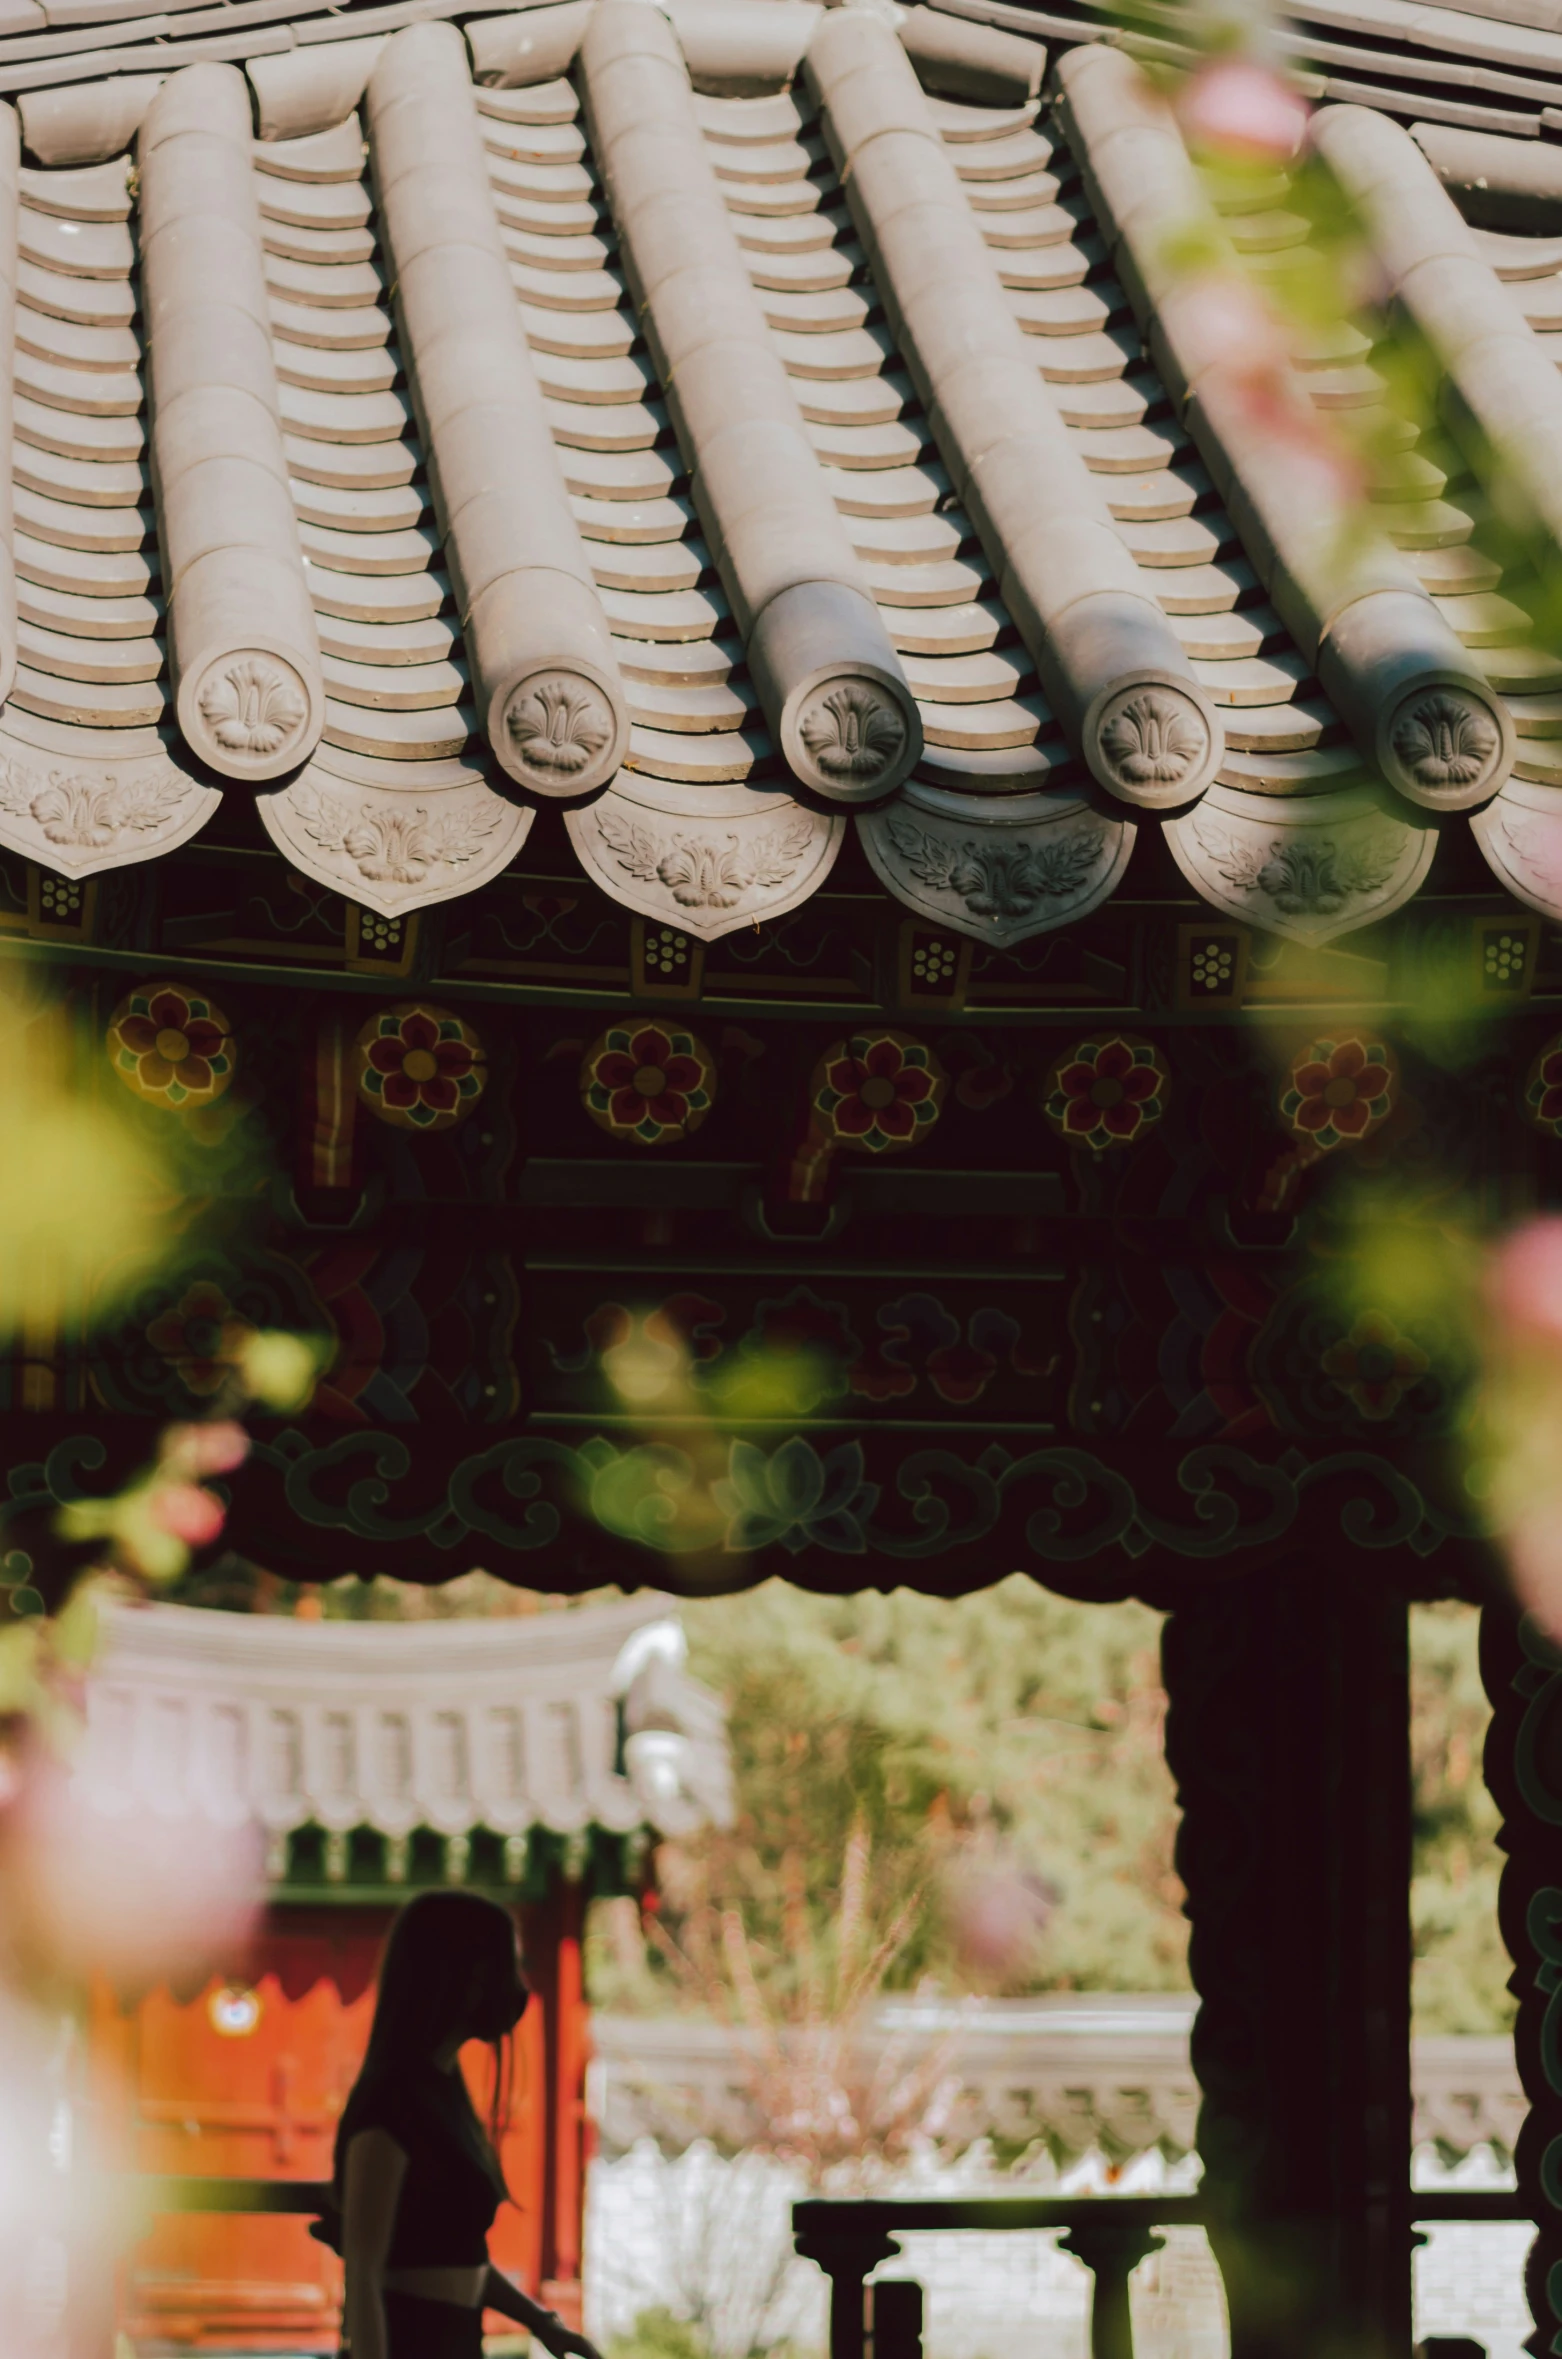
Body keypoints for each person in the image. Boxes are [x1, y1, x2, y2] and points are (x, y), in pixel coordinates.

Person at [316, 1889, 604, 2359]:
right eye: (506, 1968)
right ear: (460, 1975)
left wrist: (542, 2324)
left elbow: (457, 2258)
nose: (517, 1989)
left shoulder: (443, 2088)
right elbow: (364, 2274)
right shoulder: (391, 2099)